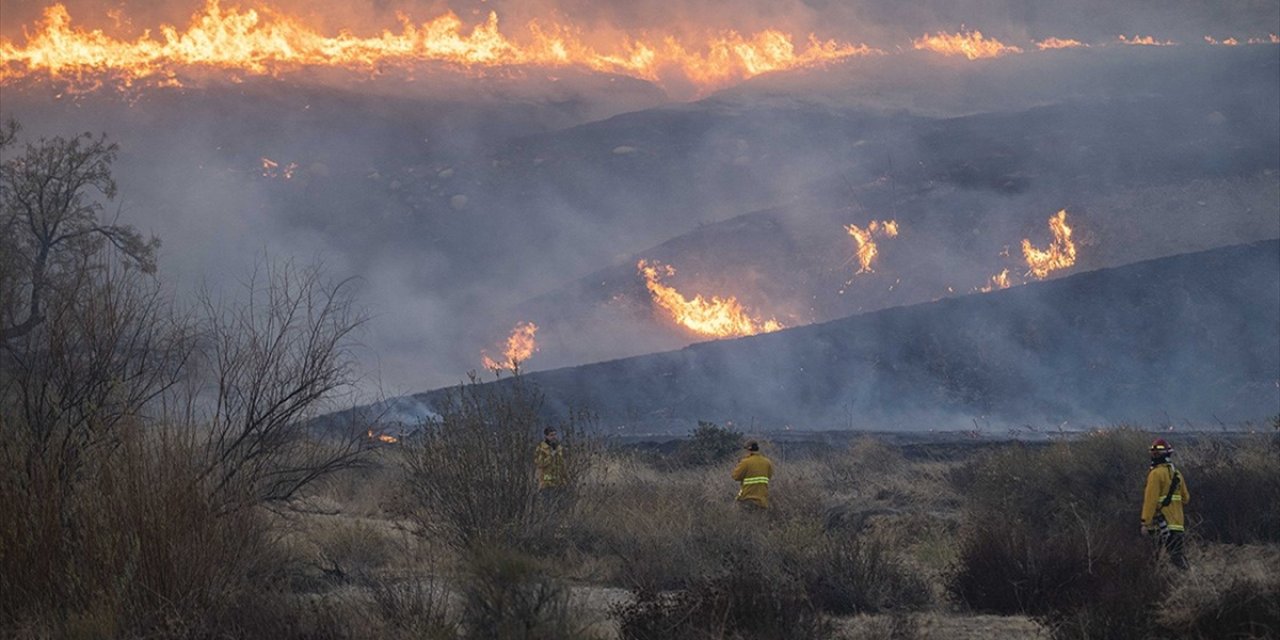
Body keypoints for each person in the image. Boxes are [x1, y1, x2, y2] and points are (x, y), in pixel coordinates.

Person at [1141, 438, 1190, 569]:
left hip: (1161, 525)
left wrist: (1146, 522)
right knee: (1177, 556)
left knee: (1153, 559)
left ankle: (1156, 583)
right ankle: (1190, 580)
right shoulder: (1177, 474)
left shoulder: (1155, 474)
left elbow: (1150, 500)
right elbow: (1186, 498)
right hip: (1178, 524)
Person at [732, 440, 773, 509]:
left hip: (747, 499)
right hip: (762, 501)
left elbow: (735, 476)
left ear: (748, 450)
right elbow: (769, 476)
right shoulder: (767, 462)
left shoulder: (745, 462)